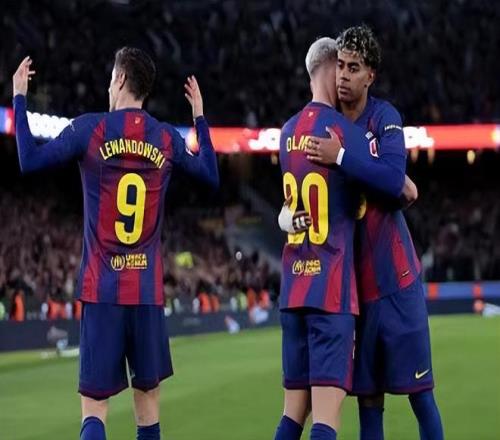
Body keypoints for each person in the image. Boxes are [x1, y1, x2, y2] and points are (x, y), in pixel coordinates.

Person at [12, 47, 219, 440]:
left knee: (95, 408)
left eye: (111, 77)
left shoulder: (90, 129)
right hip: (146, 293)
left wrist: (20, 97)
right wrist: (199, 118)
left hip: (101, 290)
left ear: (120, 79)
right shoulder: (165, 137)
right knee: (148, 411)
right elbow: (210, 173)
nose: (109, 85)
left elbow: (28, 160)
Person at [305, 26, 444, 440]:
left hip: (398, 284)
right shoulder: (323, 122)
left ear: (370, 76)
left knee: (421, 396)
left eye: (354, 68)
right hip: (354, 293)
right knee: (368, 402)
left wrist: (342, 157)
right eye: (340, 66)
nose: (343, 76)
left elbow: (395, 178)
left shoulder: (384, 118)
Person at [274, 37, 408, 440]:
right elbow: (393, 183)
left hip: (292, 288)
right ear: (333, 69)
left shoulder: (286, 132)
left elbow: (289, 208)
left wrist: (284, 219)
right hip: (330, 291)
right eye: (343, 67)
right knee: (326, 420)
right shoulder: (343, 133)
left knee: (292, 416)